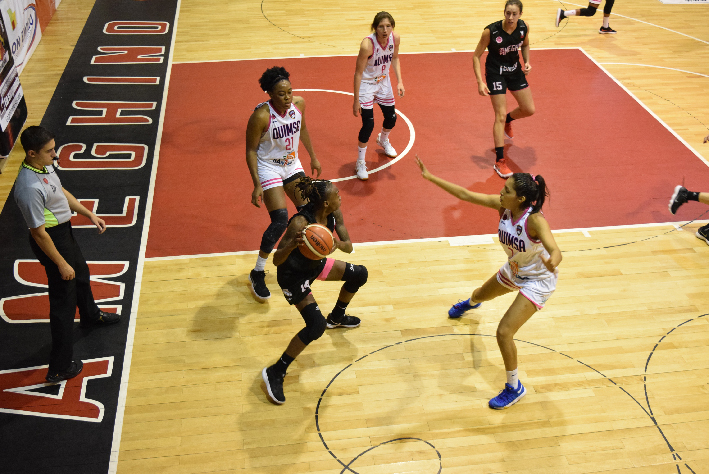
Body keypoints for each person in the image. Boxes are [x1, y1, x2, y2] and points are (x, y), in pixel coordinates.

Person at [416, 156, 561, 409]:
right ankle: (471, 304)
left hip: (538, 280)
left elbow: (555, 249)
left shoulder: (535, 220)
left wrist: (553, 261)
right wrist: (430, 177)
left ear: (521, 199)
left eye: (507, 191)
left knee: (504, 332)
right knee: (480, 293)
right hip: (516, 268)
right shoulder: (504, 206)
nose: (500, 193)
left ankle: (514, 387)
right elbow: (464, 194)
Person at [13, 126, 120, 384]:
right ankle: (59, 367)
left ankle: (91, 315)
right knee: (63, 302)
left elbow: (61, 194)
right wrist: (60, 263)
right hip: (52, 240)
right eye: (50, 150)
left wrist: (88, 213)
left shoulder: (44, 166)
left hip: (63, 232)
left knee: (82, 273)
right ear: (31, 153)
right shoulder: (28, 188)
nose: (56, 154)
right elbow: (38, 233)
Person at [262, 177, 368, 404]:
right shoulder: (301, 223)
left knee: (359, 274)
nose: (340, 196)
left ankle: (337, 317)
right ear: (326, 203)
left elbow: (348, 247)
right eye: (336, 194)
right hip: (293, 276)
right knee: (315, 326)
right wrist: (292, 244)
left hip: (315, 265)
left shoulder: (334, 214)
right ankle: (276, 371)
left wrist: (335, 243)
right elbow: (277, 260)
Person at [246, 66, 321, 302]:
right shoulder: (261, 116)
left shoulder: (299, 104)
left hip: (292, 163)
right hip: (269, 167)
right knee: (279, 220)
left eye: (289, 91)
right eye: (281, 93)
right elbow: (250, 150)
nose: (287, 97)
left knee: (311, 212)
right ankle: (257, 271)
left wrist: (313, 156)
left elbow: (304, 129)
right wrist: (257, 183)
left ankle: (296, 258)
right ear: (269, 93)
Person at [473, 0, 535, 179]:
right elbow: (476, 56)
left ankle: (509, 119)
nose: (510, 17)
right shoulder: (490, 31)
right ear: (504, 12)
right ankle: (500, 161)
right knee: (498, 115)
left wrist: (527, 61)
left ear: (520, 14)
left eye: (514, 14)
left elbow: (525, 44)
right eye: (507, 13)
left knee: (529, 109)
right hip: (495, 73)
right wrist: (479, 81)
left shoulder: (523, 28)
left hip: (514, 70)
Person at [352, 11, 404, 181]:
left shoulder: (394, 39)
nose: (385, 29)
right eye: (381, 26)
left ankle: (383, 139)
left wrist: (400, 81)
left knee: (392, 118)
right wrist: (355, 100)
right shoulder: (368, 45)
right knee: (368, 124)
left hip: (384, 83)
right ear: (374, 28)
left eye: (388, 26)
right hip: (367, 85)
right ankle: (360, 162)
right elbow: (358, 73)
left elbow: (395, 58)